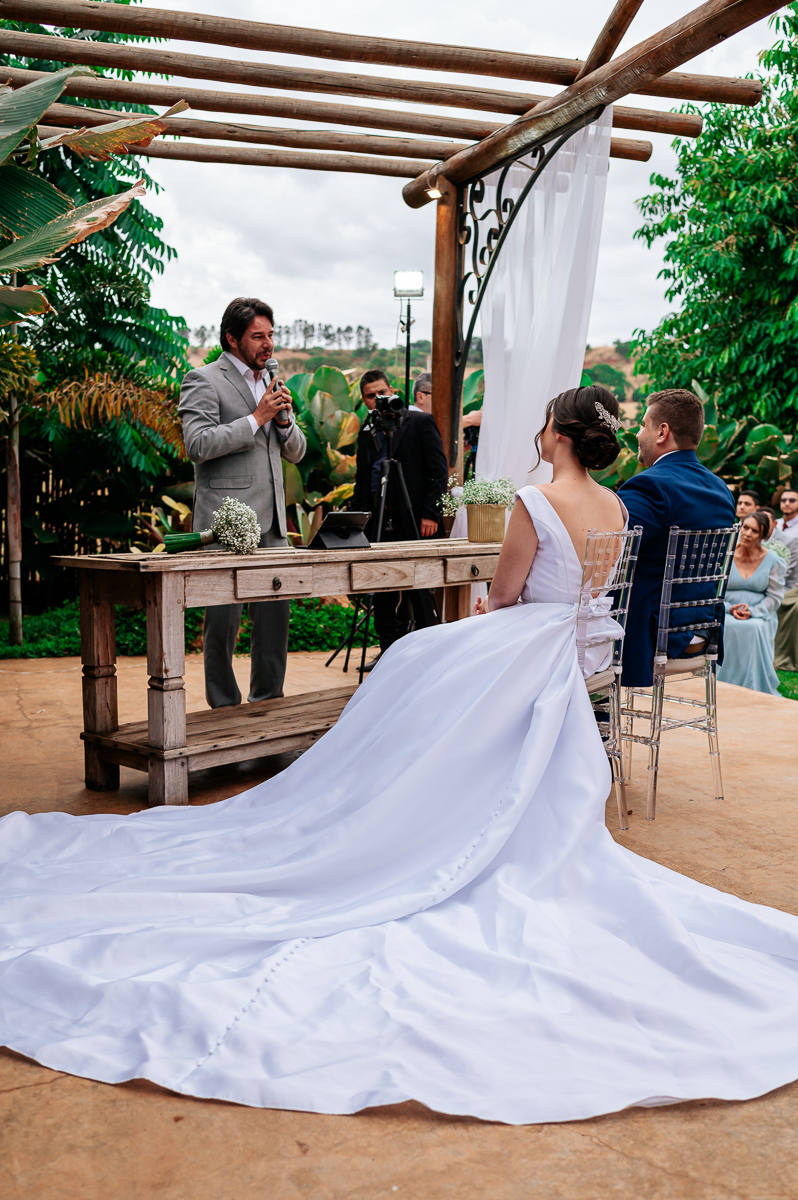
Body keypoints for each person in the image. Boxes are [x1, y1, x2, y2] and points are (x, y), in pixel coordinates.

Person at [5, 384, 798, 1127]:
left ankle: (400, 797)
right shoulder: (618, 507)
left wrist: (486, 608)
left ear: (554, 434)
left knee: (413, 664)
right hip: (571, 658)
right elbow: (587, 595)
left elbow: (512, 595)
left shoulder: (534, 499)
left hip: (530, 638)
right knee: (424, 666)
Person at [178, 297, 306, 708]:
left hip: (273, 530)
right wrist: (256, 418)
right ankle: (224, 711)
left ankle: (267, 707)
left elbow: (297, 453)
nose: (268, 344)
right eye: (258, 336)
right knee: (222, 625)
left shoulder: (272, 382)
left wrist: (283, 420)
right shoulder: (203, 379)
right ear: (232, 339)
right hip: (226, 527)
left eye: (271, 335)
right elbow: (197, 444)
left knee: (275, 623)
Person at [617, 389, 737, 687]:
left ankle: (597, 720)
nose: (638, 433)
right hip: (703, 629)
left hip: (651, 635)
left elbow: (612, 554)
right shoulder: (721, 490)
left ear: (662, 432)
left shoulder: (649, 486)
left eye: (643, 425)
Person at [352, 368, 449, 652]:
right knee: (382, 592)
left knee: (419, 593)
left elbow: (438, 471)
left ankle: (427, 655)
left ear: (391, 389)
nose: (377, 400)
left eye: (382, 393)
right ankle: (388, 655)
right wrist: (358, 524)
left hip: (415, 520)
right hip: (378, 523)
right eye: (371, 396)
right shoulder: (367, 430)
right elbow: (362, 480)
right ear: (364, 400)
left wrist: (431, 514)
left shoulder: (419, 422)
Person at [717, 510, 786, 694]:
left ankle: (752, 685)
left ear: (763, 536)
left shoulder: (773, 560)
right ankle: (721, 683)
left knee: (753, 627)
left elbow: (775, 597)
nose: (747, 533)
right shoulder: (726, 553)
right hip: (725, 609)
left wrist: (754, 611)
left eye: (754, 531)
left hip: (761, 613)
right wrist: (729, 609)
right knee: (728, 625)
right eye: (745, 527)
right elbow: (715, 591)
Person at [773, 487, 798, 672]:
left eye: (791, 500)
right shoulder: (774, 524)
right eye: (784, 500)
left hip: (791, 581)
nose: (787, 503)